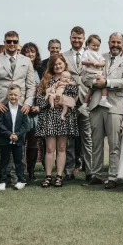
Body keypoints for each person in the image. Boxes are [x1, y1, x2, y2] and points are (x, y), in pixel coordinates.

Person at [0, 31, 36, 188]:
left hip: (19, 108)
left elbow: (31, 85)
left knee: (17, 143)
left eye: (15, 41)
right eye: (9, 41)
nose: (12, 44)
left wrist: (27, 103)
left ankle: (15, 178)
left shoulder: (26, 61)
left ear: (18, 42)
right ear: (4, 42)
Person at [87, 33, 123, 189]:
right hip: (96, 104)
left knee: (114, 142)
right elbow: (84, 77)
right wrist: (95, 82)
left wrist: (107, 82)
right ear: (108, 43)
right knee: (96, 141)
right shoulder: (99, 56)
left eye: (118, 42)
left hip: (115, 105)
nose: (115, 45)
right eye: (113, 42)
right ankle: (96, 174)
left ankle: (113, 175)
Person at [35, 55, 79, 188]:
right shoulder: (46, 80)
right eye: (55, 64)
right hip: (49, 116)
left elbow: (73, 96)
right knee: (49, 148)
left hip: (64, 117)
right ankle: (48, 176)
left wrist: (61, 100)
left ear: (64, 64)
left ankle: (59, 176)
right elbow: (40, 99)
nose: (58, 66)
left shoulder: (70, 80)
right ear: (51, 66)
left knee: (62, 148)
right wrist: (50, 100)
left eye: (60, 63)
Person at [62, 28, 89, 180]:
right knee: (69, 139)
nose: (77, 40)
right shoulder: (64, 56)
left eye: (79, 38)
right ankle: (68, 170)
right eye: (74, 38)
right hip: (69, 101)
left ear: (84, 38)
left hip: (87, 100)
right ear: (70, 38)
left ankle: (90, 171)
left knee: (87, 138)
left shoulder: (90, 54)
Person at [0, 84, 27, 190]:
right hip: (5, 139)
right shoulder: (3, 108)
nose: (13, 97)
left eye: (15, 95)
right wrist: (9, 134)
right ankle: (2, 181)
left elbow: (25, 125)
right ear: (7, 95)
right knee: (4, 160)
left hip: (18, 140)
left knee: (18, 161)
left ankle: (21, 180)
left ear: (20, 96)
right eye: (11, 94)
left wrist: (17, 135)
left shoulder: (23, 109)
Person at [81, 35, 112, 109]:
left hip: (97, 74)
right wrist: (91, 62)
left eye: (98, 46)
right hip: (90, 75)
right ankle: (102, 100)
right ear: (88, 44)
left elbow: (103, 62)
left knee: (91, 90)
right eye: (94, 45)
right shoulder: (87, 52)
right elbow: (83, 61)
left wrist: (99, 64)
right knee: (103, 84)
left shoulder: (98, 53)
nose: (96, 47)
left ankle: (85, 104)